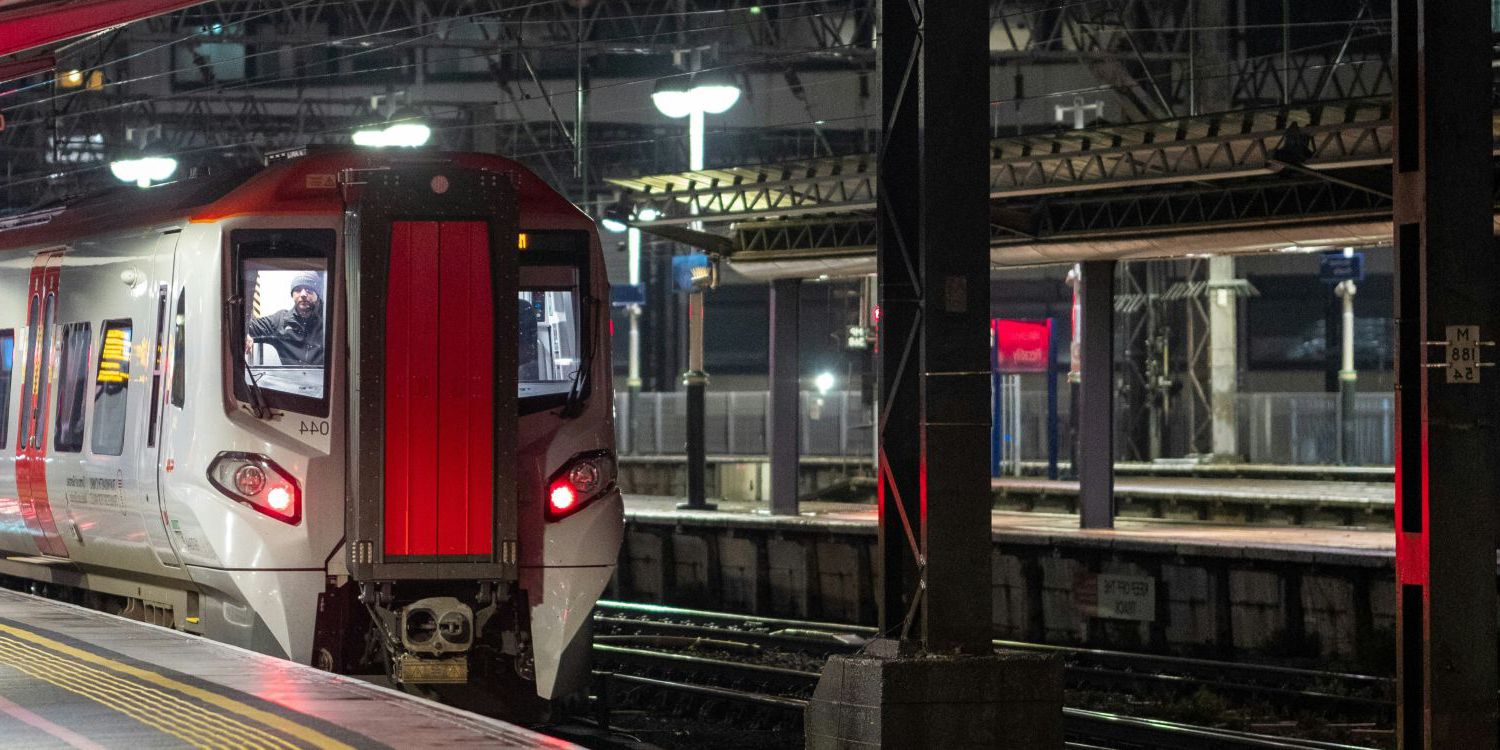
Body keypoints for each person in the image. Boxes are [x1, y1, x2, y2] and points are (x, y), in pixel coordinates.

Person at [246, 272, 325, 366]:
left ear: (317, 294)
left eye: (309, 290)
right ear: (292, 295)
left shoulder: (330, 320)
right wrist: (245, 332)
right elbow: (246, 326)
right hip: (292, 380)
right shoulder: (280, 321)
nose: (303, 294)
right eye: (298, 290)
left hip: (325, 380)